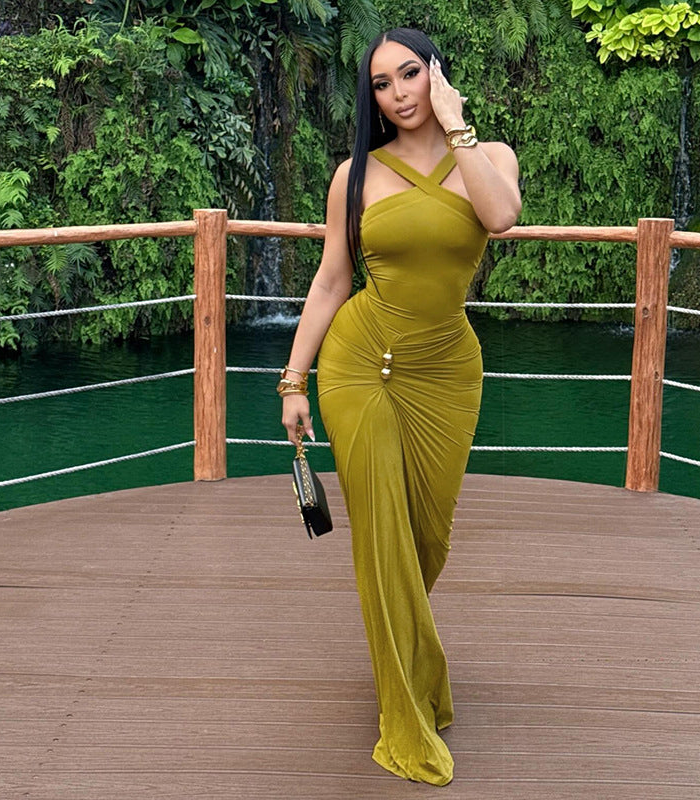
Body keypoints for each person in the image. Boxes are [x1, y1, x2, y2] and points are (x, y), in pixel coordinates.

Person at [278, 27, 521, 785]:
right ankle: (405, 715)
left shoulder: (490, 156)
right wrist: (293, 381)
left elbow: (501, 217)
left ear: (435, 73)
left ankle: (419, 670)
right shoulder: (354, 175)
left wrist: (456, 125)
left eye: (409, 74)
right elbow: (331, 280)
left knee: (425, 540)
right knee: (380, 535)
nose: (397, 93)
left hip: (447, 372)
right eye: (381, 84)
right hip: (360, 367)